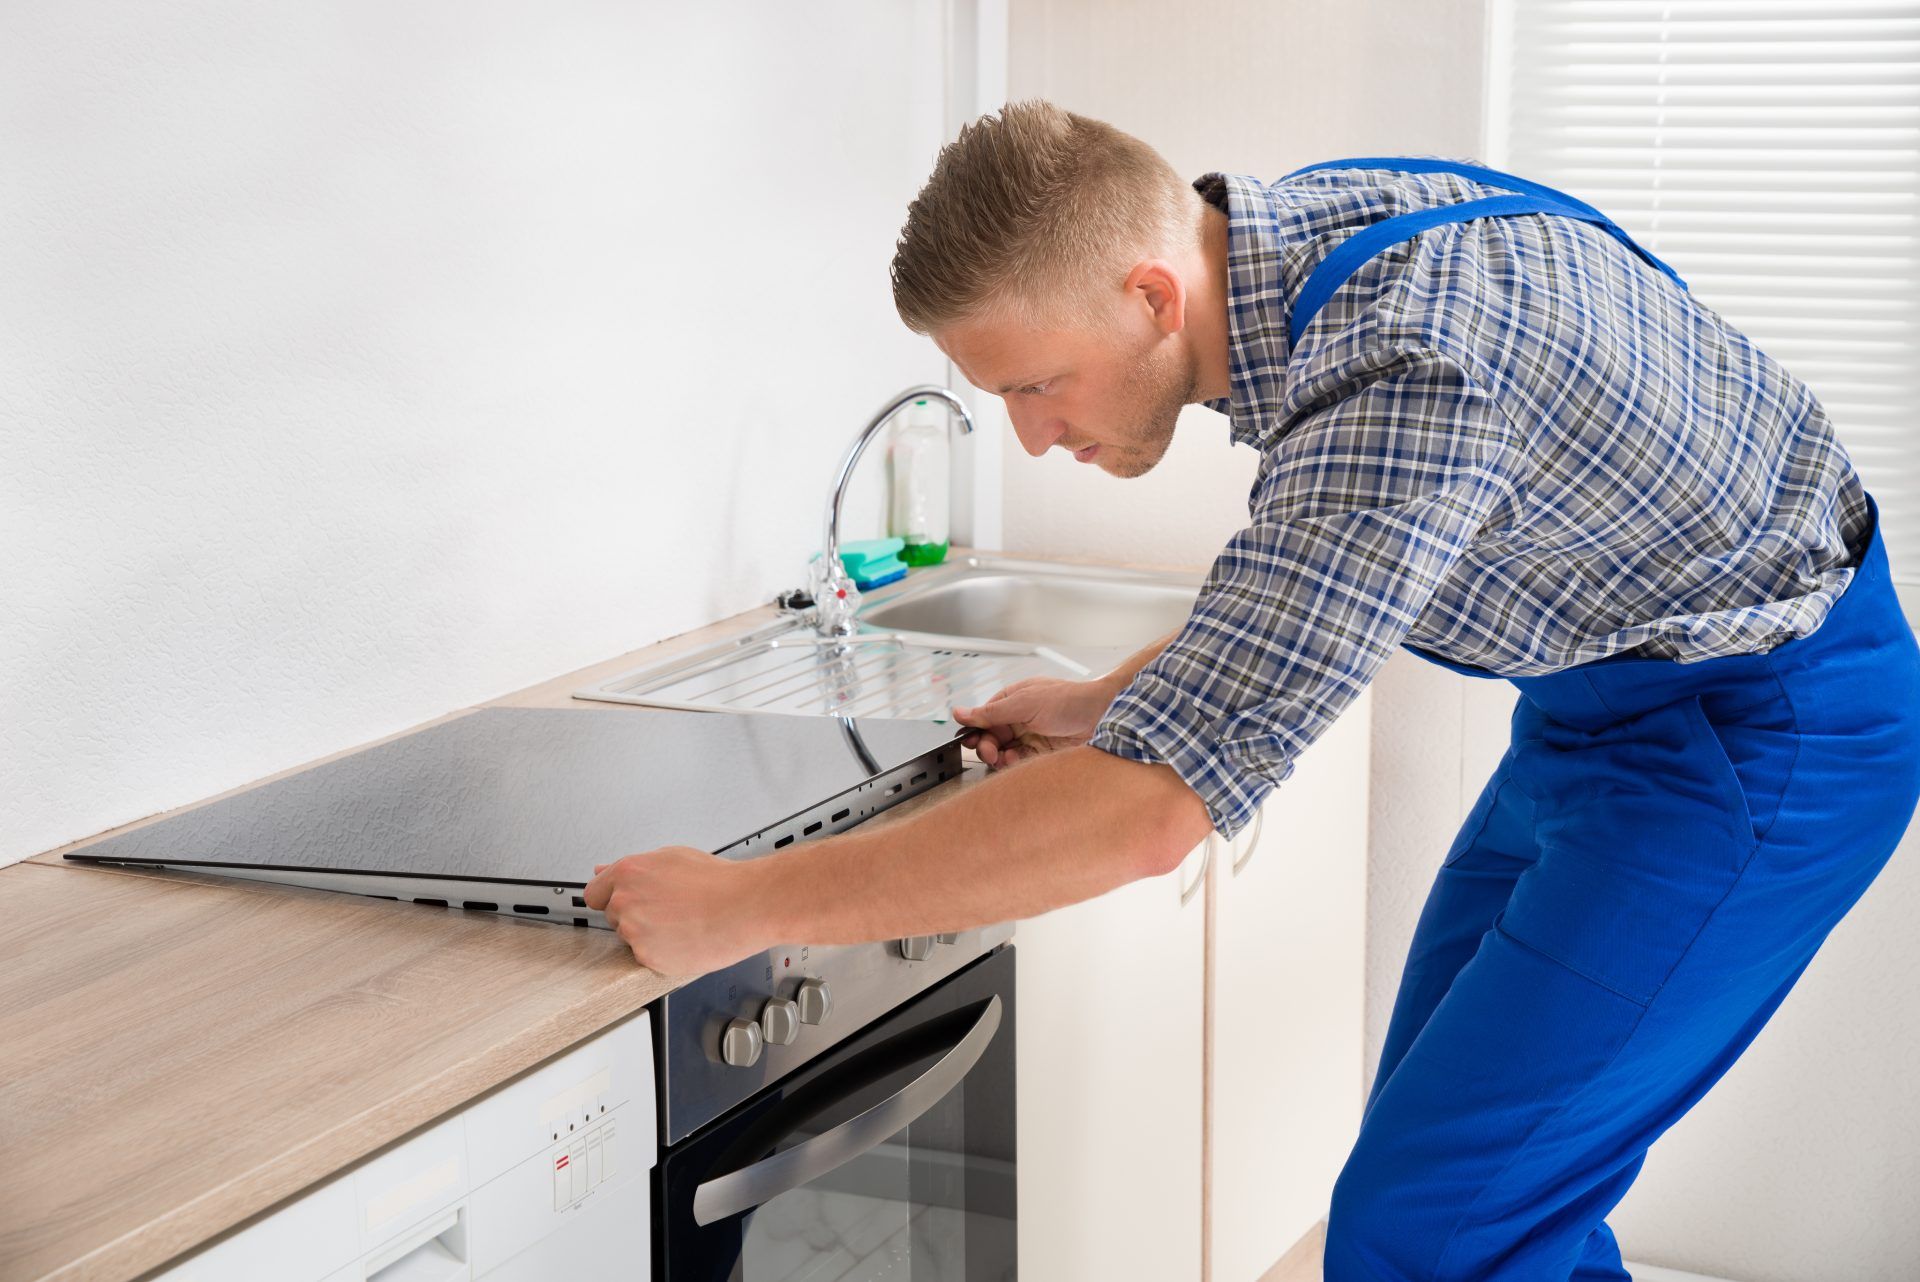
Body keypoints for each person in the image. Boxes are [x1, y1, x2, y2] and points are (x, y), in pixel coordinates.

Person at [584, 100, 1920, 1280]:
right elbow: (1314, 593)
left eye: (1037, 385)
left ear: (1154, 295)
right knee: (1491, 1192)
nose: (1035, 435)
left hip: (1763, 733)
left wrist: (741, 907)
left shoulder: (1399, 372)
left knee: (1430, 1222)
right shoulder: (1296, 242)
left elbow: (1151, 816)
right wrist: (1107, 699)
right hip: (1608, 701)